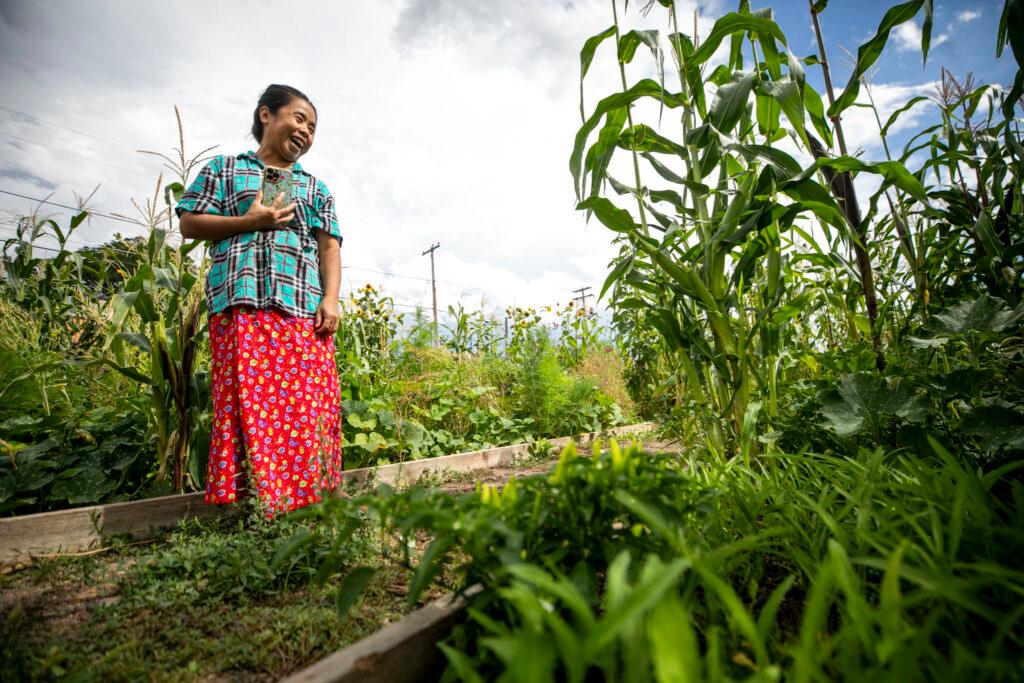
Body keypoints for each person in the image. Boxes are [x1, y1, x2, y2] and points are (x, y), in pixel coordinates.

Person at [176, 84, 343, 517]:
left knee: (307, 405)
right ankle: (252, 505)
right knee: (245, 403)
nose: (306, 130)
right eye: (299, 117)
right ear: (266, 115)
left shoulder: (315, 188)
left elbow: (329, 248)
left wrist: (330, 300)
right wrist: (247, 221)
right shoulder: (224, 169)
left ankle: (315, 498)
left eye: (313, 126)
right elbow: (190, 224)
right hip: (239, 302)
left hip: (301, 308)